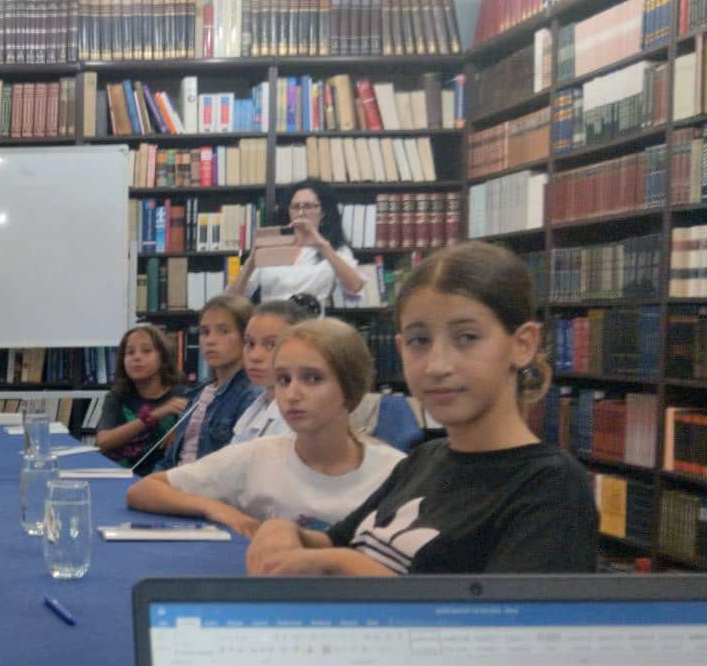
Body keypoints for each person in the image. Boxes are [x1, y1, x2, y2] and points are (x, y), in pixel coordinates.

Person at [247, 242, 599, 575]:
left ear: (522, 345)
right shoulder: (425, 459)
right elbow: (336, 540)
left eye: (467, 337)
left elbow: (499, 617)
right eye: (419, 341)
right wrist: (284, 530)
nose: (436, 366)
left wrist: (341, 564)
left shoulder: (550, 485)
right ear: (401, 347)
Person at [128, 318, 404, 537]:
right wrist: (216, 508)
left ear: (351, 386)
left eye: (312, 379)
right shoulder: (256, 457)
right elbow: (145, 490)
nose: (292, 394)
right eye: (283, 379)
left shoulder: (397, 472)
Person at [158, 294, 259, 468]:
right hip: (176, 478)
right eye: (205, 332)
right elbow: (170, 460)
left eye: (223, 331)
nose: (210, 341)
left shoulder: (251, 396)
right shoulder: (197, 394)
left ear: (246, 338)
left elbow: (234, 470)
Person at [228, 179, 364, 307]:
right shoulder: (271, 246)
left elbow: (355, 287)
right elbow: (232, 300)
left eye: (308, 206)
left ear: (323, 212)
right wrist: (250, 263)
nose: (301, 212)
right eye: (295, 207)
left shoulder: (335, 249)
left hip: (310, 322)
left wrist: (321, 245)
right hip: (270, 320)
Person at [228, 294, 320, 445]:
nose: (255, 356)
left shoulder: (301, 416)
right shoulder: (259, 404)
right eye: (250, 343)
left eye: (271, 345)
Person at [94, 324, 186, 470]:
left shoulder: (182, 395)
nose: (136, 357)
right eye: (130, 352)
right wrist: (154, 415)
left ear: (163, 357)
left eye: (146, 351)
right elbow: (103, 442)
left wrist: (182, 431)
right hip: (122, 475)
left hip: (164, 477)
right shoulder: (116, 397)